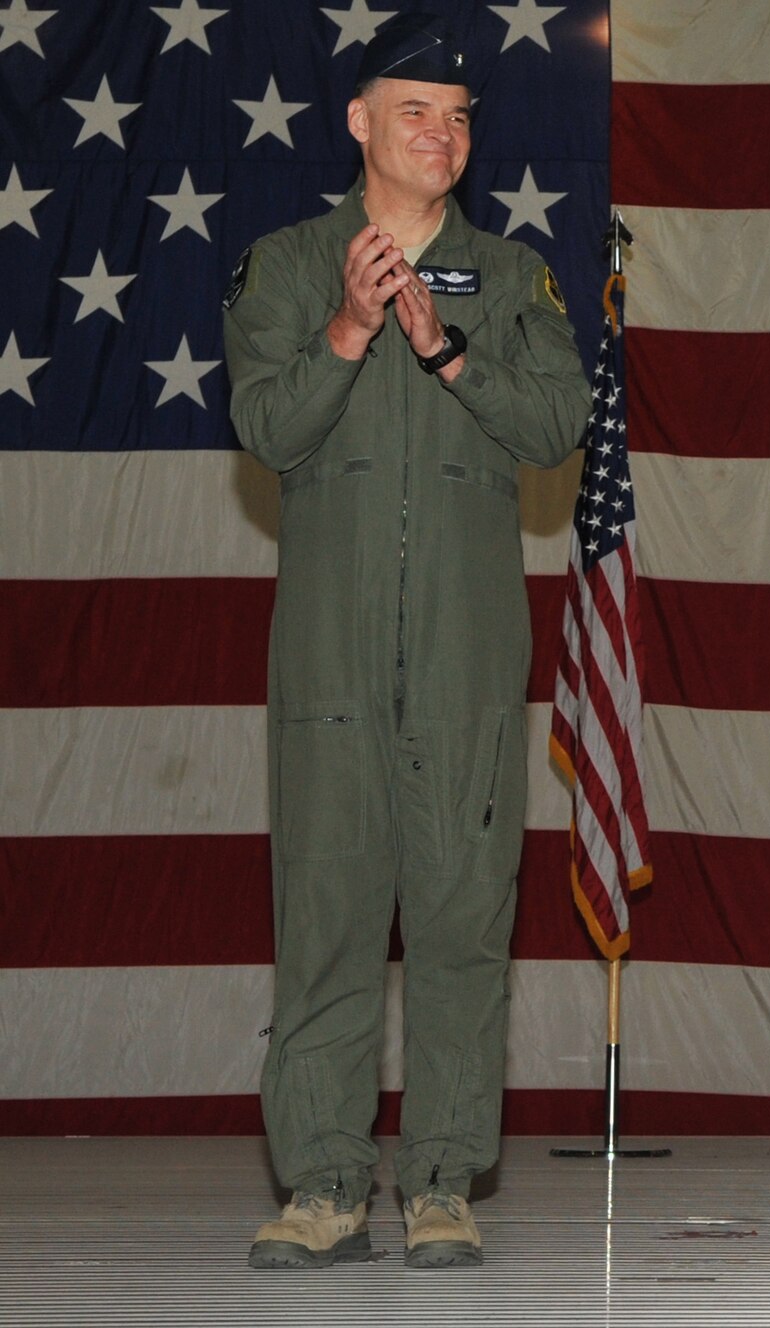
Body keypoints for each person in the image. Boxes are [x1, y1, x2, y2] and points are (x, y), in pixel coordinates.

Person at [223, 12, 590, 1270]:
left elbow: (555, 425)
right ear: (361, 123)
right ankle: (324, 1181)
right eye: (418, 111)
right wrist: (344, 329)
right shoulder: (285, 263)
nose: (444, 134)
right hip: (327, 664)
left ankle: (438, 1179)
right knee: (324, 917)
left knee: (457, 917)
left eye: (461, 115)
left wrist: (444, 351)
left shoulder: (511, 272)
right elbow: (266, 426)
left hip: (466, 663)